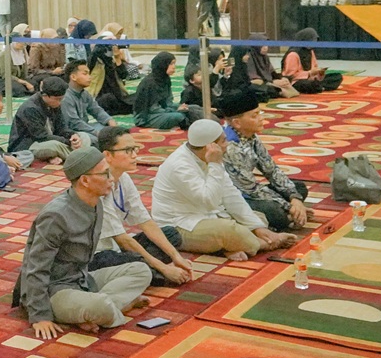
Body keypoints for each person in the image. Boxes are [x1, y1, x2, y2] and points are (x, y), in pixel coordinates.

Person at [14, 147, 152, 339]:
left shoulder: (97, 203)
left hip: (82, 279)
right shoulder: (56, 215)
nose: (111, 179)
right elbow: (35, 267)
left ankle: (90, 311)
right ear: (85, 180)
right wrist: (40, 315)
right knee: (100, 306)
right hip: (54, 289)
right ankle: (105, 308)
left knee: (141, 271)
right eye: (105, 174)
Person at [151, 120, 297, 260]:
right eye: (223, 141)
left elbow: (231, 195)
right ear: (210, 146)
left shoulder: (209, 157)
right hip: (179, 225)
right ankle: (263, 244)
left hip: (208, 215)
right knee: (228, 230)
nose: (227, 144)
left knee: (257, 217)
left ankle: (234, 245)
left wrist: (258, 228)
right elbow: (209, 201)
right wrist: (215, 164)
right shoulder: (180, 166)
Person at [92, 126, 194, 286]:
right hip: (97, 254)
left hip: (119, 247)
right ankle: (153, 273)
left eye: (135, 149)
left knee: (171, 234)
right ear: (107, 155)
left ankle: (148, 272)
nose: (134, 155)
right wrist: (164, 267)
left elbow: (145, 221)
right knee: (128, 262)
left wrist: (176, 257)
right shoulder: (98, 186)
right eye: (127, 150)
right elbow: (123, 240)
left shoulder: (124, 178)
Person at [216, 90, 310, 232]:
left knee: (298, 188)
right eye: (255, 115)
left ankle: (290, 216)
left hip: (252, 192)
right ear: (237, 123)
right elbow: (250, 189)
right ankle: (287, 216)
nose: (261, 118)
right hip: (235, 198)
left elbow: (271, 170)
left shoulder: (250, 136)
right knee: (275, 212)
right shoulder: (230, 147)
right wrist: (289, 206)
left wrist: (294, 198)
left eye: (260, 113)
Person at [8, 77, 77, 163]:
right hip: (28, 145)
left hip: (50, 140)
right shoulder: (30, 108)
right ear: (45, 95)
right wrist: (67, 142)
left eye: (61, 99)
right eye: (58, 99)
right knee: (54, 146)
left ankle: (68, 153)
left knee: (83, 136)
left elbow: (61, 127)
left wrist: (72, 135)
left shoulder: (54, 105)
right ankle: (77, 157)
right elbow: (41, 136)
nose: (60, 102)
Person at [132, 51, 202, 129]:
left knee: (193, 108)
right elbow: (153, 109)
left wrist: (178, 107)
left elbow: (169, 102)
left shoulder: (165, 79)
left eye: (174, 64)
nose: (174, 67)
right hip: (147, 117)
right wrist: (175, 110)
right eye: (171, 64)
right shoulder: (149, 83)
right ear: (162, 65)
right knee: (178, 116)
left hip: (163, 111)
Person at [61, 60, 112, 145]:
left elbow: (97, 110)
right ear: (73, 77)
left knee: (111, 132)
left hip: (85, 127)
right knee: (97, 140)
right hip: (72, 132)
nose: (90, 77)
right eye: (85, 74)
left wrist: (109, 120)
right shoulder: (65, 96)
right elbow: (74, 123)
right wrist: (96, 132)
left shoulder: (84, 93)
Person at [227, 41, 297, 101]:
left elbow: (247, 81)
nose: (248, 57)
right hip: (237, 91)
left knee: (266, 89)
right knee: (260, 90)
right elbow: (234, 84)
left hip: (250, 86)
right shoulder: (232, 65)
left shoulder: (243, 64)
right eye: (245, 55)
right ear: (239, 55)